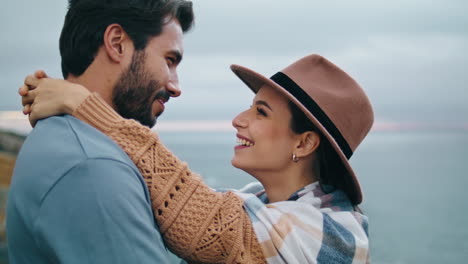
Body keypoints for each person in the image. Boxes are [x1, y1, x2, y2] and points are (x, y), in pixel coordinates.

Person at [21, 54, 374, 263]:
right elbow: (188, 202)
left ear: (306, 142)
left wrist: (82, 104)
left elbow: (205, 223)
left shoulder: (335, 237)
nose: (239, 120)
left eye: (262, 112)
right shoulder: (256, 202)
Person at [6, 0, 194, 263]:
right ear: (117, 43)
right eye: (170, 60)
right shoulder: (92, 166)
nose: (176, 86)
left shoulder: (66, 139)